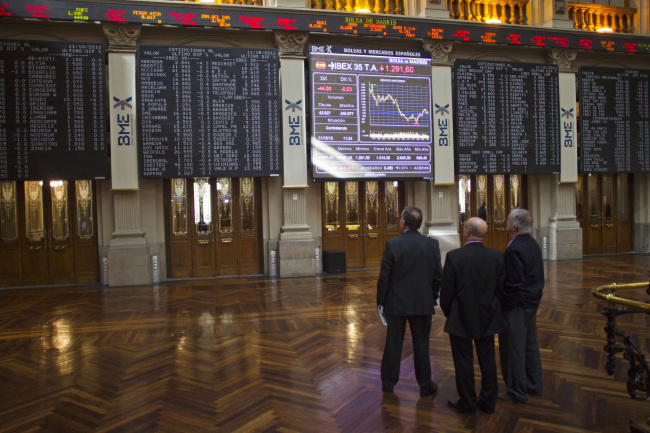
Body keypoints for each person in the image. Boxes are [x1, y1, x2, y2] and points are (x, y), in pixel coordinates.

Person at [440, 217, 506, 415]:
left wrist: (450, 313)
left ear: (467, 232)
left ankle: (467, 402)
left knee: (463, 362)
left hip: (460, 318)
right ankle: (488, 402)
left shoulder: (454, 257)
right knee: (487, 360)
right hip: (488, 316)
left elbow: (446, 294)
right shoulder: (497, 256)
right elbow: (501, 291)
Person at [377, 206, 442, 397]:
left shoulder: (393, 244)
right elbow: (438, 276)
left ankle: (389, 383)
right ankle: (425, 385)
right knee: (422, 344)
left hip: (396, 304)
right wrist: (432, 297)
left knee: (393, 344)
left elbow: (384, 278)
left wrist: (381, 303)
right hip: (423, 303)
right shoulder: (432, 244)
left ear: (403, 222)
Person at [498, 208, 545, 404]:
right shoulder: (532, 243)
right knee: (530, 345)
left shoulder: (514, 248)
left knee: (514, 348)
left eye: (508, 220)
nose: (505, 222)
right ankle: (533, 384)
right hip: (531, 301)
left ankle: (517, 391)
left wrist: (504, 305)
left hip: (517, 306)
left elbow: (513, 284)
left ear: (515, 225)